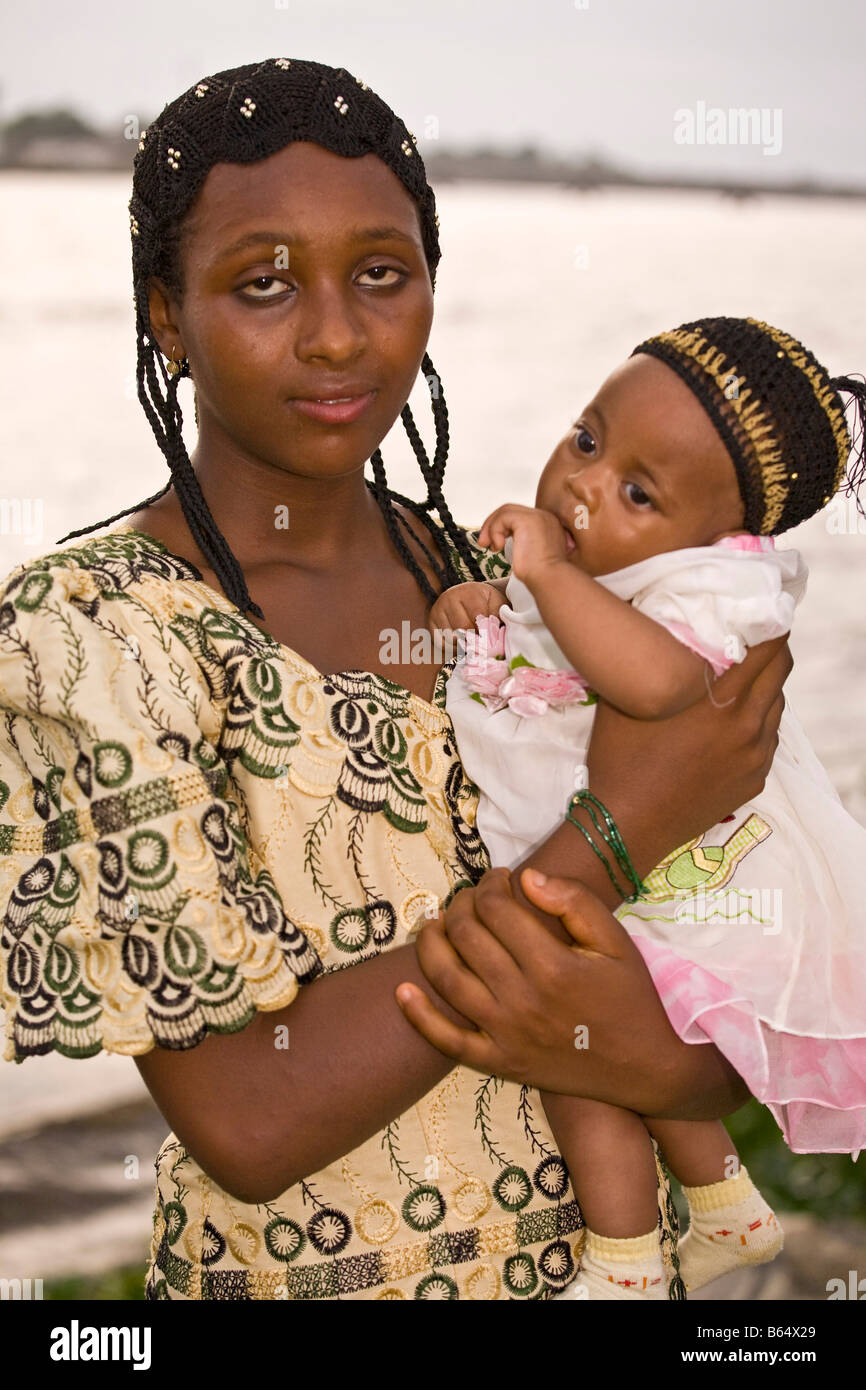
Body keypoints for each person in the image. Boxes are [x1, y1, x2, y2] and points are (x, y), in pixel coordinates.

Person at [0, 59, 790, 1301]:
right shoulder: (91, 633)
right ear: (165, 313)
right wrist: (620, 827)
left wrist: (662, 1031)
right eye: (262, 283)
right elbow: (252, 1118)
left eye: (381, 273)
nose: (335, 333)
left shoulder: (515, 593)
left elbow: (709, 1057)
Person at [430, 315, 866, 1298]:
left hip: (669, 865)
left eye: (636, 490)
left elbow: (657, 680)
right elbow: (536, 637)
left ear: (725, 537)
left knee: (578, 1063)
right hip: (620, 849)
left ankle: (622, 1262)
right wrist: (475, 605)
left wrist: (540, 570)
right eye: (586, 439)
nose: (585, 483)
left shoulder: (711, 589)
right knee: (599, 1043)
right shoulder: (607, 558)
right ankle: (726, 1206)